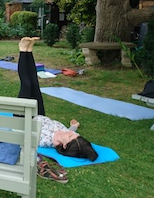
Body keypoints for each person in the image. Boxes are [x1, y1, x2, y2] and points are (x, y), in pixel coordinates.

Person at [16, 37, 98, 182]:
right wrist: (75, 126)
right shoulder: (65, 133)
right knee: (34, 82)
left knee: (27, 84)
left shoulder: (44, 140)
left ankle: (22, 49)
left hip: (23, 118)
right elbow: (71, 131)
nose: (70, 133)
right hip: (40, 114)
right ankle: (29, 50)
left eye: (71, 136)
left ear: (64, 145)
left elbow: (23, 136)